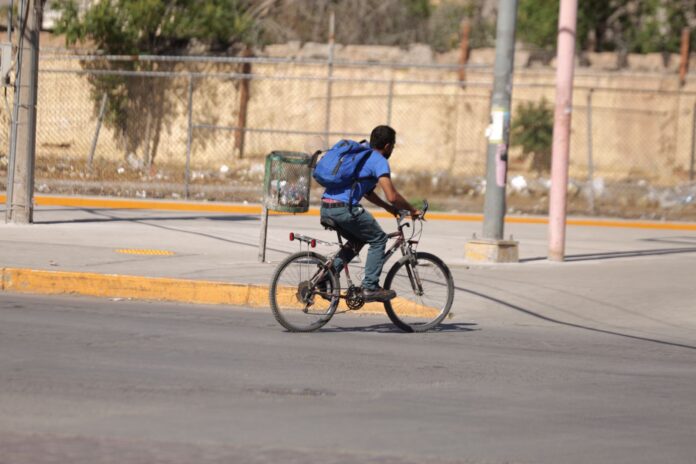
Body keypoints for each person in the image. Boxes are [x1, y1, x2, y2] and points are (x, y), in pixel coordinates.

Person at [320, 125, 420, 302]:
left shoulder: (363, 153)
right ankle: (370, 287)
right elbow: (392, 195)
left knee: (358, 240)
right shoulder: (379, 160)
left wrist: (388, 208)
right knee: (379, 239)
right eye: (393, 146)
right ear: (387, 146)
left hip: (327, 206)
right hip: (344, 208)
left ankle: (326, 276)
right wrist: (413, 210)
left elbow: (367, 192)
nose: (392, 149)